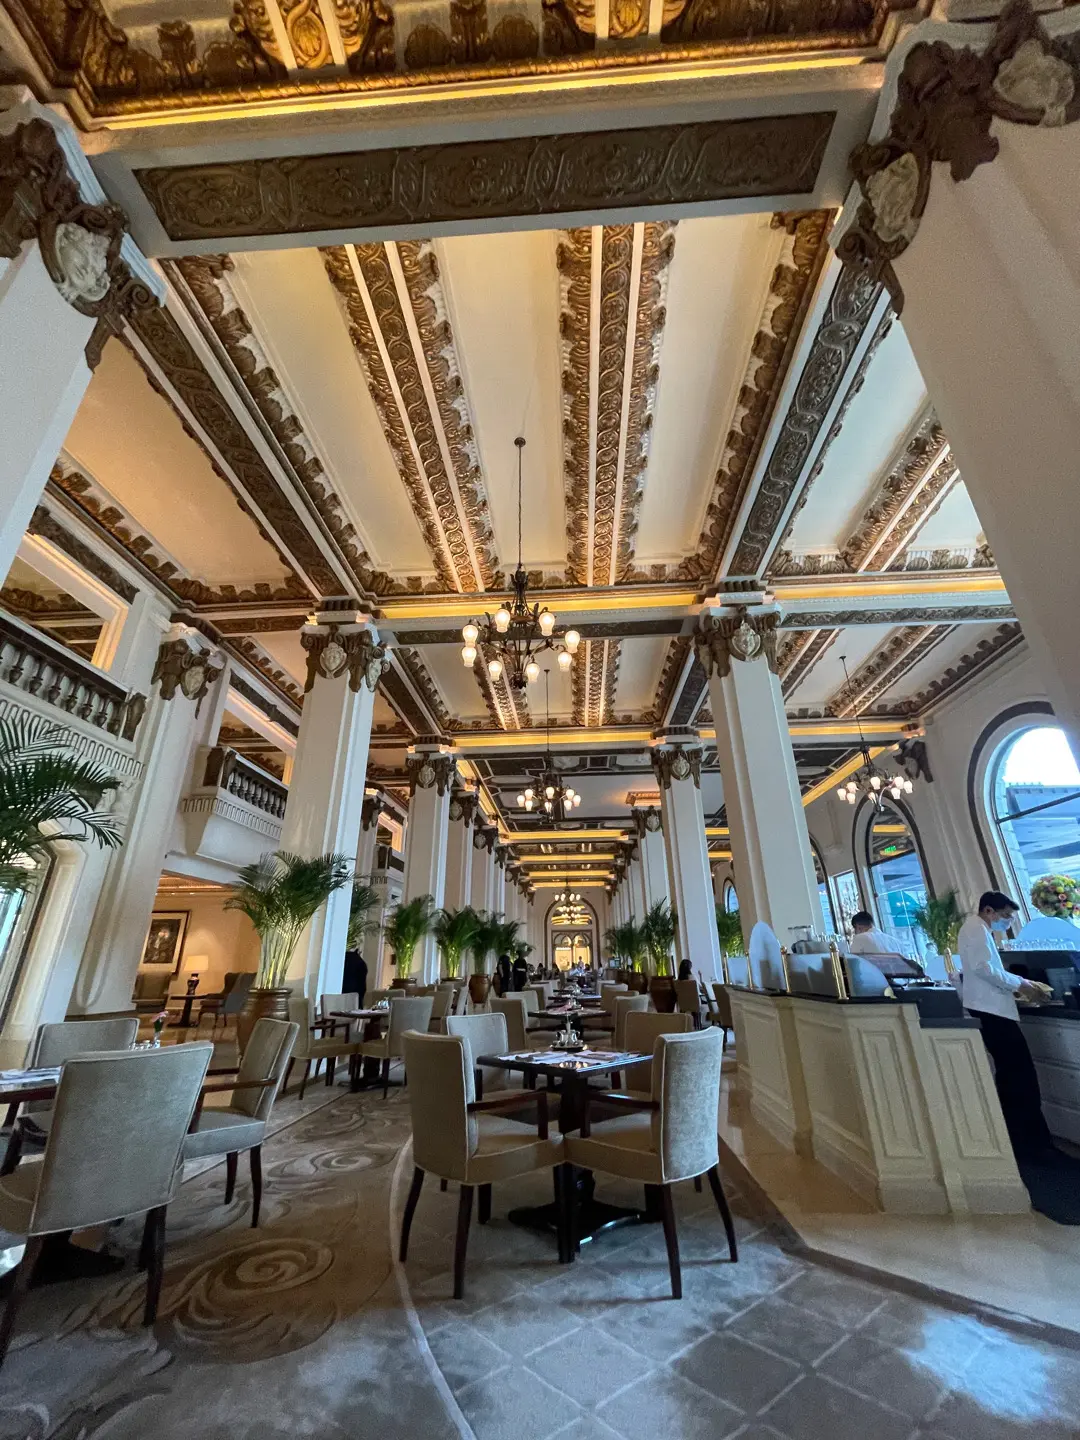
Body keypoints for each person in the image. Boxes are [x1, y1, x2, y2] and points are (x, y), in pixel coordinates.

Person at [958, 890, 1054, 1159]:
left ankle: (1023, 1139)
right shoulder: (976, 928)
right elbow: (983, 968)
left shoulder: (977, 929)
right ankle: (1030, 1142)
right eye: (1006, 916)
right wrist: (1020, 983)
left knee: (1013, 1074)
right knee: (1019, 1074)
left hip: (990, 1008)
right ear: (989, 911)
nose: (1008, 921)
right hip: (991, 1010)